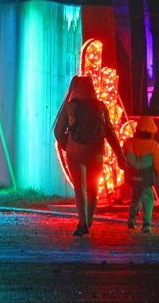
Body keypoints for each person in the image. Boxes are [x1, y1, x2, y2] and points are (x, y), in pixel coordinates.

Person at [53, 76, 127, 236]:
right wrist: (120, 155)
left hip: (75, 151)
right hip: (96, 151)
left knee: (80, 188)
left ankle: (83, 223)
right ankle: (90, 219)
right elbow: (110, 132)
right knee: (93, 188)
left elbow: (58, 132)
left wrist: (68, 146)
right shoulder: (100, 107)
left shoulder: (69, 106)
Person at [121, 115, 159, 233]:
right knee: (148, 197)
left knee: (135, 196)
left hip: (132, 175)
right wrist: (158, 172)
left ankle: (132, 218)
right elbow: (158, 163)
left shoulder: (129, 143)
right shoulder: (153, 145)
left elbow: (122, 158)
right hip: (146, 176)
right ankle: (146, 223)